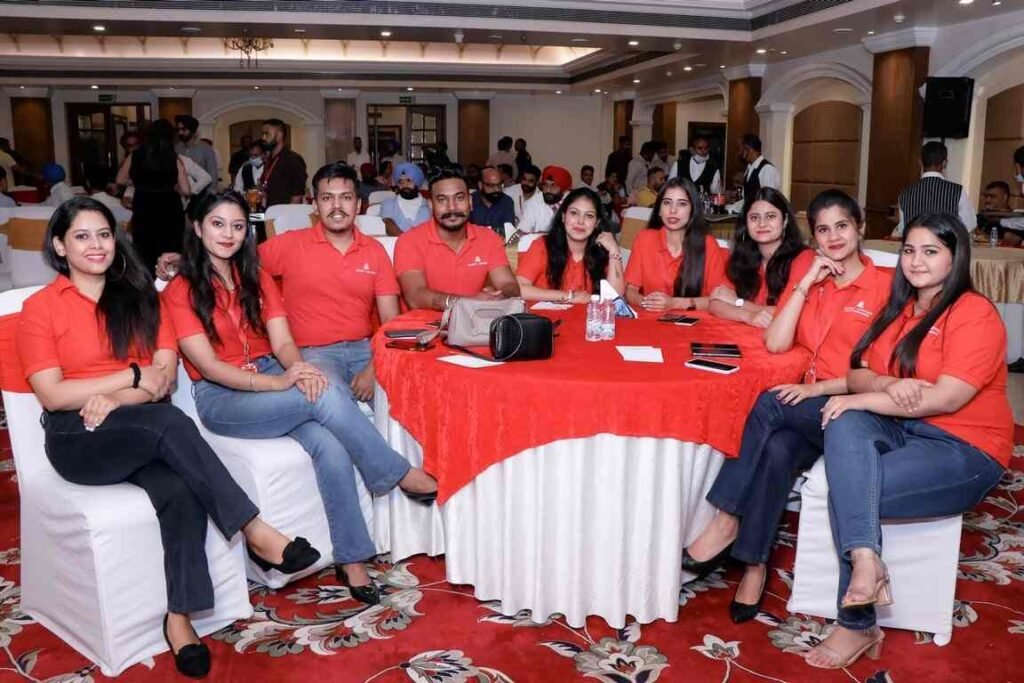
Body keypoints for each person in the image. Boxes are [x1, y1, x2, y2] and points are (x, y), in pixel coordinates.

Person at [19, 197, 320, 678]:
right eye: (82, 236)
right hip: (79, 439)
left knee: (180, 487)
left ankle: (179, 618)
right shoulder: (40, 308)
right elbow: (53, 395)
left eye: (104, 234)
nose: (96, 245)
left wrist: (116, 396)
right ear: (59, 246)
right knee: (170, 423)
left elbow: (165, 379)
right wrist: (130, 377)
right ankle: (254, 529)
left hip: (140, 426)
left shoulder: (142, 298)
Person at [162, 189, 438, 608]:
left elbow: (283, 343)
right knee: (323, 395)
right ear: (198, 228)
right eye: (217, 224)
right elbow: (210, 367)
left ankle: (352, 558)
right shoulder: (180, 290)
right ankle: (396, 473)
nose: (229, 234)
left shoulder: (254, 277)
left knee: (329, 440)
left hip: (272, 371)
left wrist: (297, 370)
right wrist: (280, 384)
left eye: (237, 226)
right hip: (224, 397)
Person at [807, 212, 1010, 669]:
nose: (916, 261)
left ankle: (856, 621)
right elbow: (856, 374)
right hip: (904, 427)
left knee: (850, 487)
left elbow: (946, 397)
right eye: (909, 250)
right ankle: (867, 562)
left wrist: (865, 397)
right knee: (842, 419)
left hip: (964, 446)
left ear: (955, 258)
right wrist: (883, 384)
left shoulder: (973, 312)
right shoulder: (899, 309)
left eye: (930, 251)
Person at [683, 189, 891, 624]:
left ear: (861, 228)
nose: (834, 237)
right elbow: (777, 342)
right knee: (776, 448)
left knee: (769, 403)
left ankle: (726, 517)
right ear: (813, 238)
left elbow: (878, 374)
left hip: (853, 409)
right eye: (823, 230)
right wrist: (805, 282)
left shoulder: (884, 289)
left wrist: (818, 391)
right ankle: (754, 565)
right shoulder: (817, 283)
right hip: (811, 410)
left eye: (842, 226)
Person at [259, 162, 398, 400]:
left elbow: (390, 320)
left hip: (365, 351)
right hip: (313, 354)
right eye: (327, 198)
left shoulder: (374, 250)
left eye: (346, 198)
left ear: (358, 205)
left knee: (400, 399)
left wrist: (374, 368)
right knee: (328, 395)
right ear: (315, 205)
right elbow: (239, 265)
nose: (336, 206)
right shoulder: (290, 244)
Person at [394, 167, 520, 310]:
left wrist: (501, 297)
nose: (452, 208)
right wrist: (468, 303)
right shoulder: (409, 241)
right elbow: (415, 296)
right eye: (442, 200)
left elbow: (509, 285)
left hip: (477, 320)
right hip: (426, 323)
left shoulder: (488, 238)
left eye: (459, 198)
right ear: (430, 205)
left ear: (470, 202)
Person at [708, 187, 811, 329]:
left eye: (771, 216)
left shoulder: (803, 259)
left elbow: (790, 313)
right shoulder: (742, 259)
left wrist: (738, 302)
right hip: (745, 336)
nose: (762, 224)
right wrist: (748, 316)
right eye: (754, 218)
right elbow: (715, 303)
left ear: (785, 221)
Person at [623, 177, 728, 312]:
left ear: (692, 210)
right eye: (667, 203)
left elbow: (718, 299)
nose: (673, 210)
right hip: (652, 318)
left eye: (682, 204)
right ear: (659, 209)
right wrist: (648, 302)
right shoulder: (644, 239)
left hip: (697, 322)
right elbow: (630, 290)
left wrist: (674, 303)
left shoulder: (707, 244)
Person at [515, 187, 625, 302]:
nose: (580, 221)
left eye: (589, 216)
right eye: (574, 213)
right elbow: (519, 288)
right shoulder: (543, 246)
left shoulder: (602, 251)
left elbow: (616, 298)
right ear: (563, 217)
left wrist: (614, 251)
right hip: (546, 313)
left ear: (597, 223)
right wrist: (569, 296)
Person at [117, 119, 190, 269]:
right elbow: (186, 190)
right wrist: (174, 187)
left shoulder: (135, 156)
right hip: (169, 207)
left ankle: (146, 281)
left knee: (144, 251)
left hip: (144, 205)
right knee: (171, 251)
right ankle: (169, 280)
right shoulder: (173, 158)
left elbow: (120, 179)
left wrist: (138, 182)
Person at [893, 141, 976, 236]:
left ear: (920, 162)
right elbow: (970, 223)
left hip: (916, 243)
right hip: (945, 244)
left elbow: (903, 228)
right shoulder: (957, 191)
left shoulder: (905, 194)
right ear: (945, 163)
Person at [259, 118, 307, 207]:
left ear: (279, 135)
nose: (263, 138)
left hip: (286, 213)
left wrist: (288, 214)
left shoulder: (292, 159)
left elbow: (297, 194)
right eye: (263, 134)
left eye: (267, 134)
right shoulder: (269, 160)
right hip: (270, 211)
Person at [380, 163, 431, 236]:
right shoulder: (389, 203)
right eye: (401, 182)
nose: (405, 185)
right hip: (396, 242)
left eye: (409, 181)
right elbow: (389, 226)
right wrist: (408, 242)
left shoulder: (428, 205)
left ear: (417, 182)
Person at [174, 115, 219, 192]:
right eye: (178, 129)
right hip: (182, 194)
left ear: (192, 130)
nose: (180, 132)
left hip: (202, 193)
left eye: (183, 129)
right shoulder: (177, 148)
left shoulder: (205, 148)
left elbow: (213, 175)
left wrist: (210, 194)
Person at [469, 165, 516, 237]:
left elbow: (508, 231)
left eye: (499, 185)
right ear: (480, 185)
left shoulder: (507, 201)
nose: (497, 189)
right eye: (491, 185)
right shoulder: (470, 200)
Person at [505, 164, 551, 233]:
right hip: (509, 233)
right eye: (524, 179)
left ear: (537, 182)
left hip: (531, 236)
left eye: (531, 181)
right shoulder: (509, 192)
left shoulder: (542, 199)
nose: (526, 183)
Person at [739, 134, 780, 198]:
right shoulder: (749, 168)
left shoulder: (767, 169)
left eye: (743, 150)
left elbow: (769, 198)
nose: (742, 153)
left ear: (750, 150)